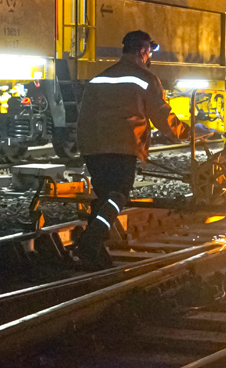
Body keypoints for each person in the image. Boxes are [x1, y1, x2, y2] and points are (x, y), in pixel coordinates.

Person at [75, 30, 191, 270]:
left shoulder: (100, 78)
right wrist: (189, 134)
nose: (149, 56)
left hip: (93, 146)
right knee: (118, 196)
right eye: (149, 51)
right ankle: (90, 242)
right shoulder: (146, 79)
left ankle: (94, 251)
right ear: (142, 51)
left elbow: (84, 114)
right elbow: (162, 117)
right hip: (121, 145)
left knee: (105, 196)